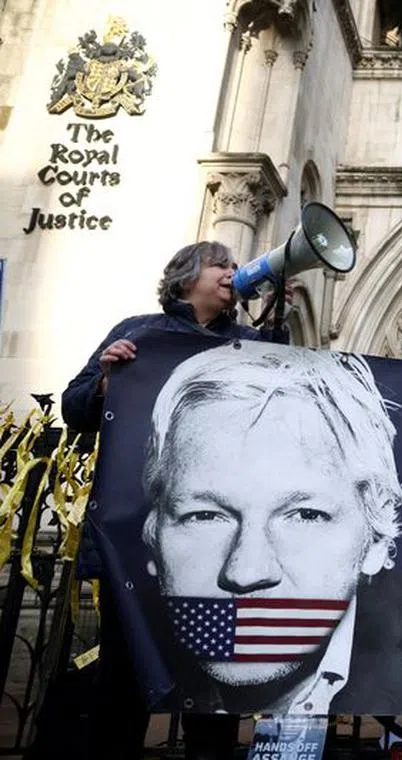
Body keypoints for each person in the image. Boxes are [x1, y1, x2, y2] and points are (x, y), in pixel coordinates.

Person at [60, 241, 291, 760]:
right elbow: (74, 409)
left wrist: (282, 320)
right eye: (221, 265)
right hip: (138, 546)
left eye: (236, 266)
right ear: (187, 276)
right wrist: (105, 379)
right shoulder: (138, 333)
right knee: (121, 687)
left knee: (211, 695)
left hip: (214, 558)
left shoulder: (249, 342)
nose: (233, 272)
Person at [140, 341, 402, 715]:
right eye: (205, 515)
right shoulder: (120, 672)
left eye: (304, 515)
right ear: (153, 533)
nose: (246, 572)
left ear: (375, 541)